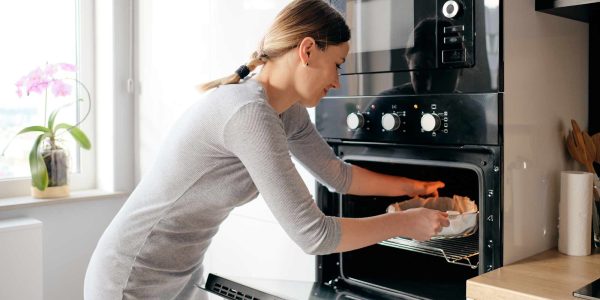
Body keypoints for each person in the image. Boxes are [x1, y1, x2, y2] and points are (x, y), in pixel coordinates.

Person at [84, 1, 449, 299]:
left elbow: (337, 175)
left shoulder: (285, 110)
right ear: (307, 50)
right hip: (132, 278)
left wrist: (411, 188)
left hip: (181, 272)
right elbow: (314, 236)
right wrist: (405, 223)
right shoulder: (249, 113)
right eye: (336, 64)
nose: (337, 81)